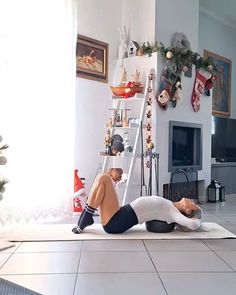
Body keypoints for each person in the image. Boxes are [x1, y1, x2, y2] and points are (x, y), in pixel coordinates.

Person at [72, 168, 202, 234]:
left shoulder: (173, 212)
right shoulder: (170, 204)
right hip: (120, 213)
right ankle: (86, 216)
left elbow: (193, 225)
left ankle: (86, 217)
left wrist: (198, 216)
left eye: (193, 204)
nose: (192, 200)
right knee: (102, 176)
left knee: (104, 178)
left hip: (116, 223)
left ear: (188, 210)